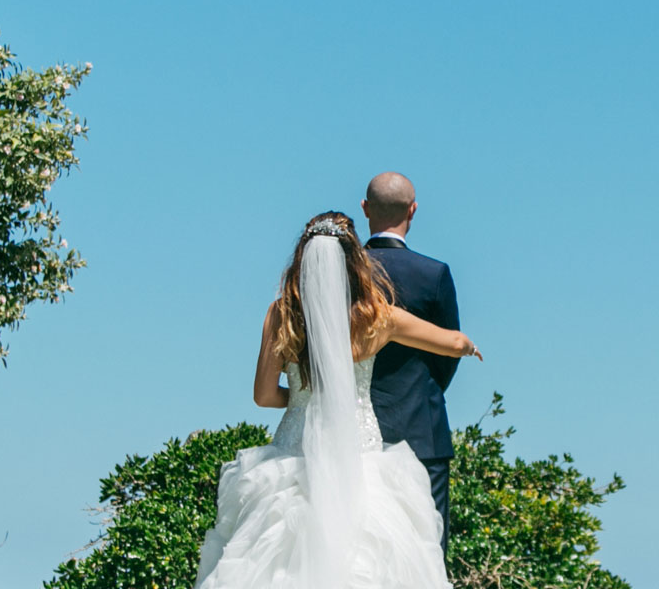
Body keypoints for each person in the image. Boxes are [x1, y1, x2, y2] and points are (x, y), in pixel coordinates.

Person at [193, 211, 480, 589]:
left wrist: (300, 402)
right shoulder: (378, 317)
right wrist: (469, 346)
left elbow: (263, 396)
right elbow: (453, 342)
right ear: (354, 263)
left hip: (289, 460)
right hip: (361, 457)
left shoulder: (280, 314)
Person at [361, 172, 460, 553]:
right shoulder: (433, 274)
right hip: (423, 432)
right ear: (413, 211)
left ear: (366, 209)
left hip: (350, 432)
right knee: (426, 553)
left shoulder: (343, 274)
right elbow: (447, 354)